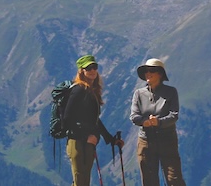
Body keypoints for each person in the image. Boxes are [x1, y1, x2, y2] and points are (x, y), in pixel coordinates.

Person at [64, 54, 124, 186]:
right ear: (81, 71)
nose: (92, 71)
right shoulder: (78, 90)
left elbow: (95, 120)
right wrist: (85, 136)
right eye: (88, 68)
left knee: (84, 180)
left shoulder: (91, 91)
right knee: (80, 179)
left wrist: (111, 139)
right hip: (77, 141)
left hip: (88, 141)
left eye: (94, 67)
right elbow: (67, 119)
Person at [130, 58, 187, 186]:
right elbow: (134, 116)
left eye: (152, 70)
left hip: (167, 140)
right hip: (146, 140)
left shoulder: (171, 92)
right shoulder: (139, 94)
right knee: (149, 180)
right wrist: (144, 122)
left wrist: (158, 122)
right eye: (146, 71)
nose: (148, 73)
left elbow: (174, 115)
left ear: (160, 74)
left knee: (174, 179)